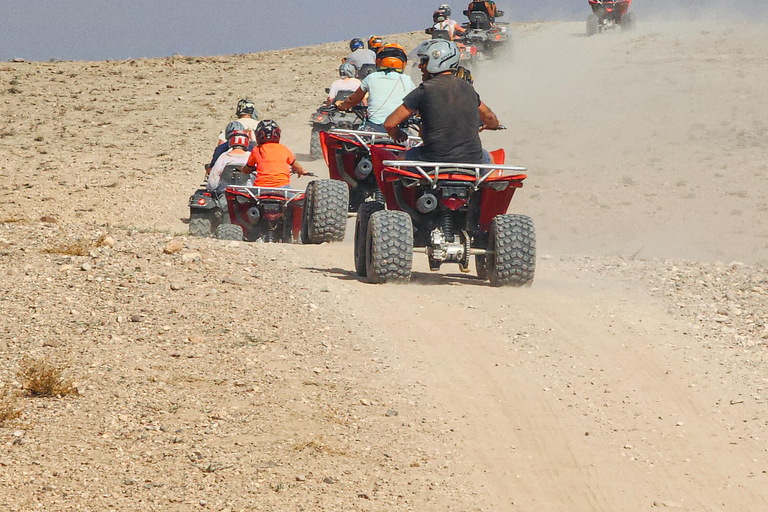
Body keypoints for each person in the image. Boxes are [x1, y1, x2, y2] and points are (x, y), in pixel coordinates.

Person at [383, 39, 500, 164]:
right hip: (472, 162)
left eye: (424, 61)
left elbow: (390, 123)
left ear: (437, 61)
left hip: (432, 160)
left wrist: (397, 134)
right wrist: (491, 125)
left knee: (400, 159)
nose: (420, 66)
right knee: (491, 159)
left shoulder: (424, 90)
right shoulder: (469, 89)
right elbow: (490, 117)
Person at [335, 43, 416, 133]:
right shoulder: (408, 81)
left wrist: (342, 106)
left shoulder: (371, 77)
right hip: (399, 129)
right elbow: (417, 103)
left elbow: (353, 99)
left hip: (374, 128)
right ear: (403, 63)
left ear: (378, 61)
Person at [239, 120, 310, 188]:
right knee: (296, 199)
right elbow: (296, 166)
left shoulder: (256, 149)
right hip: (282, 187)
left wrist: (241, 170)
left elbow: (247, 170)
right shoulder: (284, 148)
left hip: (261, 188)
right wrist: (302, 171)